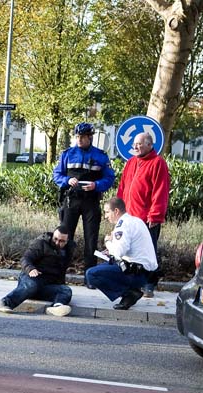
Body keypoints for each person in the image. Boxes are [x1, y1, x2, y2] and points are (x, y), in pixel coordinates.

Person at [52, 122, 115, 273]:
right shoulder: (67, 154)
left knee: (91, 239)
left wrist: (96, 185)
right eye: (77, 136)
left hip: (91, 201)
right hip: (71, 200)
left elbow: (109, 178)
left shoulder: (100, 156)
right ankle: (59, 271)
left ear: (90, 137)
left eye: (83, 137)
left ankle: (90, 274)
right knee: (64, 236)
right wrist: (67, 180)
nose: (79, 139)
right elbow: (57, 174)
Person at [117, 131, 170, 298]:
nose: (135, 146)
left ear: (149, 144)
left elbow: (160, 191)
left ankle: (150, 284)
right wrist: (119, 211)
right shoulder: (131, 162)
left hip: (146, 218)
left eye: (139, 143)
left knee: (149, 252)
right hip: (129, 217)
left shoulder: (158, 163)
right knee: (130, 253)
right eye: (134, 143)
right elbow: (122, 187)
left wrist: (155, 215)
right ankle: (133, 284)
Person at [85, 197, 158, 310]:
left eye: (107, 212)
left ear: (116, 211)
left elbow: (119, 252)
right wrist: (110, 251)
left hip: (135, 274)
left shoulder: (122, 225)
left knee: (91, 274)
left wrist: (108, 241)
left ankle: (129, 293)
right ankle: (130, 293)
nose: (105, 216)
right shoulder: (136, 220)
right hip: (144, 272)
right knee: (103, 267)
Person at [0, 226, 76, 316]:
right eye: (55, 239)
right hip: (31, 278)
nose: (57, 242)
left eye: (61, 241)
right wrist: (30, 269)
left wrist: (60, 285)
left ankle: (56, 307)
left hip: (46, 285)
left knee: (66, 290)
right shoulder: (41, 243)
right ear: (52, 235)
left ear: (67, 240)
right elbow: (25, 258)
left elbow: (61, 270)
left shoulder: (69, 249)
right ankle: (5, 303)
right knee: (32, 285)